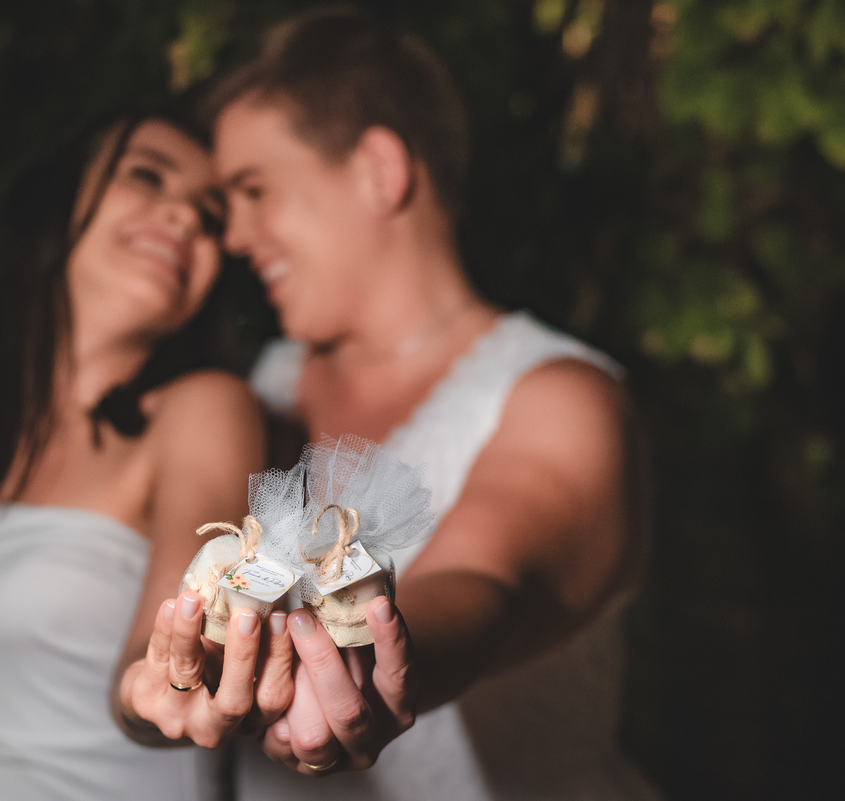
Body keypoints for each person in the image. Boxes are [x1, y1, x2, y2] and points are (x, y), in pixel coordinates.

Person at [195, 7, 663, 799]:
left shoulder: (559, 397)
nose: (233, 236)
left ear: (379, 167)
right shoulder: (252, 391)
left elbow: (483, 580)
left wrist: (365, 662)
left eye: (255, 190)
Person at [0, 109, 286, 801]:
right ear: (57, 205)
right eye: (146, 176)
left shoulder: (203, 410)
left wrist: (163, 681)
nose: (184, 218)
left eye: (209, 215)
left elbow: (173, 647)